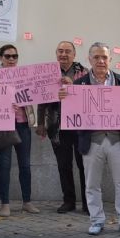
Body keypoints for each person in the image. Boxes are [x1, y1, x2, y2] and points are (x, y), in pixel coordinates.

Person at [59, 42, 120, 236]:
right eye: (96, 57)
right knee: (91, 184)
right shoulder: (79, 85)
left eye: (104, 57)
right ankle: (97, 220)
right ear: (89, 60)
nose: (101, 61)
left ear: (110, 60)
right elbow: (73, 112)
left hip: (118, 141)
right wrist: (65, 97)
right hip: (92, 141)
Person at [36, 41, 89, 214]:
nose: (63, 54)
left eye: (67, 51)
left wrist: (72, 85)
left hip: (80, 126)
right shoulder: (48, 74)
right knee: (63, 165)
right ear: (56, 53)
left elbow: (90, 97)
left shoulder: (84, 72)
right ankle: (69, 201)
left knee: (84, 165)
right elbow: (42, 100)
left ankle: (88, 202)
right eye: (60, 51)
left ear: (74, 55)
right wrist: (41, 123)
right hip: (57, 126)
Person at [0, 45, 39, 217]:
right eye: (8, 56)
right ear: (1, 58)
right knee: (4, 165)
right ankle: (5, 203)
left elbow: (35, 94)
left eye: (14, 56)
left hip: (22, 123)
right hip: (3, 125)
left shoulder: (25, 75)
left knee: (25, 164)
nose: (11, 59)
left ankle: (27, 202)